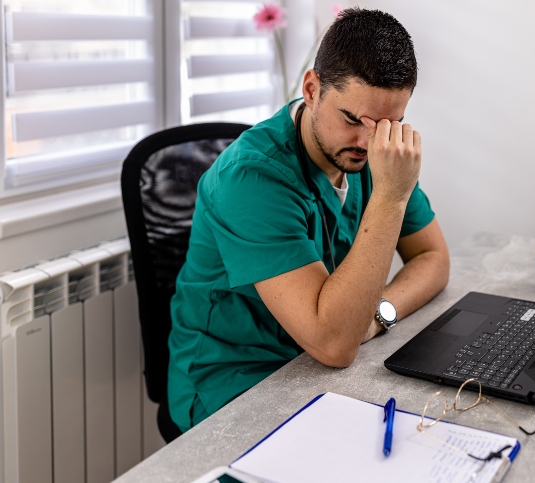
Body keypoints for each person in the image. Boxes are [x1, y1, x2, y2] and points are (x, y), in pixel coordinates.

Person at [167, 7, 450, 432]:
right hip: (234, 385)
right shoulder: (250, 178)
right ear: (312, 89)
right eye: (352, 119)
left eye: (389, 124)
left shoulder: (377, 155)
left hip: (317, 366)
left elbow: (434, 257)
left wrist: (379, 314)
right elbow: (337, 344)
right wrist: (391, 197)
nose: (367, 141)